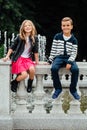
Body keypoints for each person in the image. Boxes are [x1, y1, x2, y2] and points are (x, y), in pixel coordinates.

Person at [48, 17, 80, 100]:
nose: (66, 27)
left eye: (68, 25)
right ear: (61, 27)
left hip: (69, 58)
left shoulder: (74, 40)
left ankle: (73, 89)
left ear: (71, 27)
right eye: (63, 25)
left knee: (75, 70)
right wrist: (50, 59)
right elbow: (53, 49)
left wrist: (69, 61)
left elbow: (74, 53)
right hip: (59, 57)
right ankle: (58, 88)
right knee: (54, 68)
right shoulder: (57, 36)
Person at [3, 19, 39, 93]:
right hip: (19, 59)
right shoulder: (20, 37)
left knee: (32, 70)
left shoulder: (34, 38)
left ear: (32, 27)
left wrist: (37, 61)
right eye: (25, 26)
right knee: (24, 75)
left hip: (28, 59)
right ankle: (15, 82)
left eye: (29, 25)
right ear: (23, 28)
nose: (27, 27)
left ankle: (30, 84)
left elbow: (36, 51)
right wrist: (7, 56)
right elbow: (12, 47)